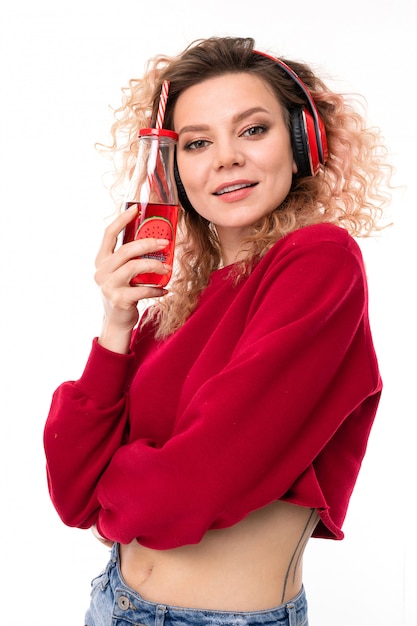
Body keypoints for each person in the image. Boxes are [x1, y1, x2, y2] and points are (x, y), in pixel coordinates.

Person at [44, 36, 392, 626]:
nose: (225, 158)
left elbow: (194, 485)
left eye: (253, 130)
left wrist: (119, 486)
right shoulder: (178, 305)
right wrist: (116, 324)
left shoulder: (319, 261)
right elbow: (73, 488)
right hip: (114, 604)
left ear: (305, 142)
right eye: (197, 143)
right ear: (173, 168)